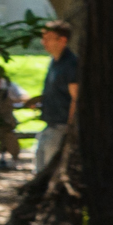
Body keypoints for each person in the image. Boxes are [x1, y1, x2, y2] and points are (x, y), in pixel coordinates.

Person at [33, 22, 78, 174]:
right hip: (49, 124)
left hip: (62, 126)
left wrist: (70, 128)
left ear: (62, 40)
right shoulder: (54, 62)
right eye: (43, 37)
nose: (43, 42)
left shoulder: (71, 64)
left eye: (48, 38)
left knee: (51, 170)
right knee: (39, 165)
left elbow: (76, 98)